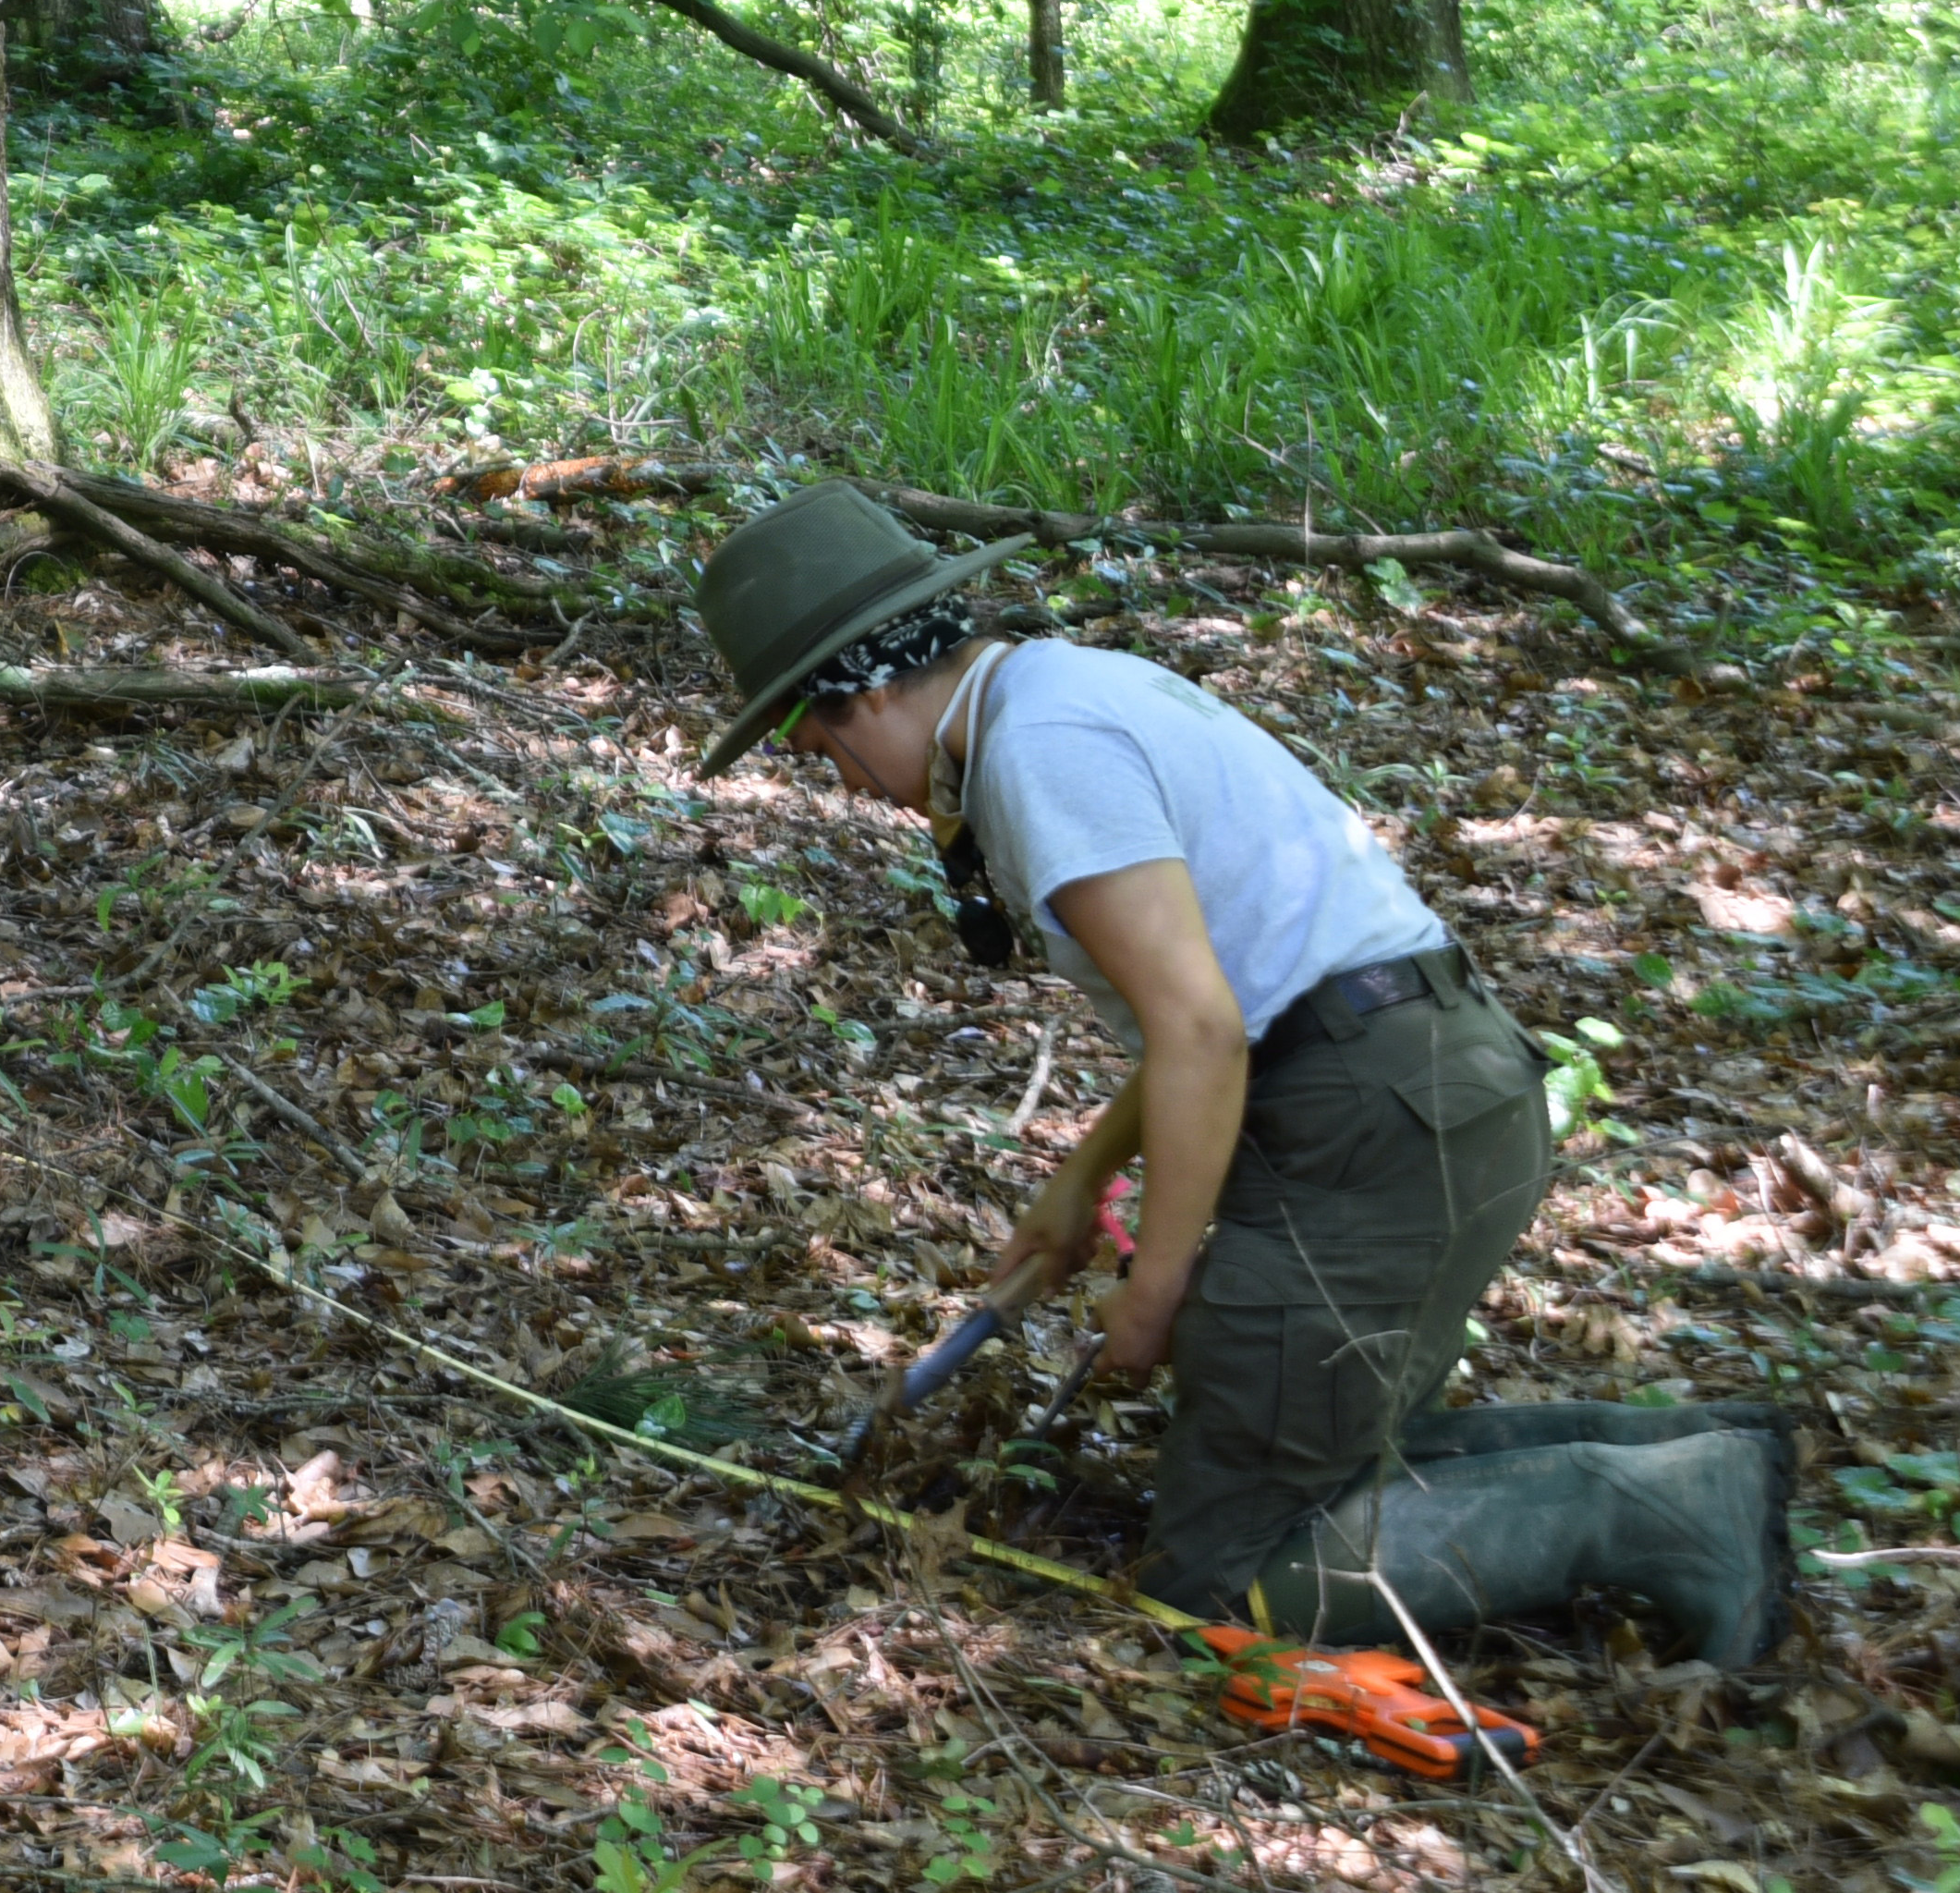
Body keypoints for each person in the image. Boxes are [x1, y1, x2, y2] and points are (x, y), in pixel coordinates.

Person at [695, 482, 1793, 1661]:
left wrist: (1155, 1286)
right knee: (1304, 1438)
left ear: (860, 692)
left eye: (822, 748)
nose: (849, 784)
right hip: (1415, 1091)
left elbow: (1205, 1031)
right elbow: (1228, 999)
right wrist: (1082, 1183)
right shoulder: (1061, 691)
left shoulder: (1039, 752)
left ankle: (1657, 1509)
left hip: (1373, 1125)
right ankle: (1694, 1453)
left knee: (1219, 1585)